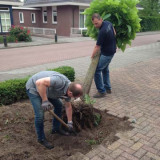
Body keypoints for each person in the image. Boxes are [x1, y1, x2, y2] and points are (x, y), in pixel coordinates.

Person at [26, 71, 83, 149]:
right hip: (34, 88)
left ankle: (56, 129)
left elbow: (68, 107)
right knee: (40, 115)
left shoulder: (69, 90)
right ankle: (41, 139)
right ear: (70, 93)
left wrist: (70, 122)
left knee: (59, 106)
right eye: (74, 97)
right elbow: (39, 82)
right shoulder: (59, 81)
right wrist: (45, 100)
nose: (74, 98)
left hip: (47, 91)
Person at [91, 13, 116, 98]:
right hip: (112, 51)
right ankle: (107, 88)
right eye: (94, 24)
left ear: (101, 19)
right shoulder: (108, 23)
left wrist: (92, 56)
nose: (95, 25)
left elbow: (97, 46)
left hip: (107, 54)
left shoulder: (102, 31)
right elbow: (114, 32)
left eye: (96, 23)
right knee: (105, 70)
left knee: (96, 71)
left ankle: (101, 91)